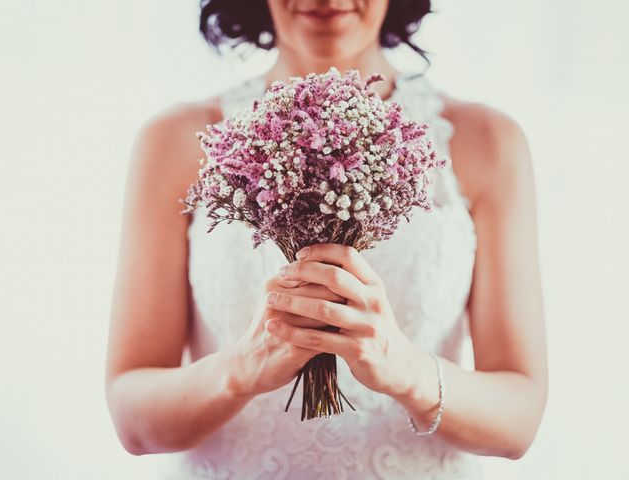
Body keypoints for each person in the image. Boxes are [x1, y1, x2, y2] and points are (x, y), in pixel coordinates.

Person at [105, 0, 549, 478]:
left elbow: (518, 420)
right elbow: (133, 419)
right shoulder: (178, 141)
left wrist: (404, 369)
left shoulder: (487, 142)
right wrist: (241, 367)